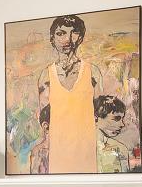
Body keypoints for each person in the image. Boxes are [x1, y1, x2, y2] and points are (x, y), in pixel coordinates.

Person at [35, 14, 97, 173]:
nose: (67, 39)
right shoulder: (46, 75)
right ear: (52, 38)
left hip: (88, 154)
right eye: (61, 33)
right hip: (57, 154)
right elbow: (44, 117)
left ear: (81, 37)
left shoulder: (92, 72)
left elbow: (100, 115)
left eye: (74, 32)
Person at [95, 94, 132, 173]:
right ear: (96, 117)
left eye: (122, 119)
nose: (122, 124)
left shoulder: (120, 149)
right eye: (116, 118)